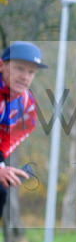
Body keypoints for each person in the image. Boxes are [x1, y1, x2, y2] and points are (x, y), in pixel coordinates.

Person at [1, 42, 46, 220]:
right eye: (19, 68)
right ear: (2, 65)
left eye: (31, 72)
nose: (25, 77)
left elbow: (16, 133)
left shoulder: (26, 104)